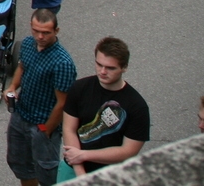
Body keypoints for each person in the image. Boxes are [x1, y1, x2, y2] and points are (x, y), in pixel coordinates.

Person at [4, 9, 75, 186]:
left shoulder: (62, 63)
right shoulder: (28, 44)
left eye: (46, 32)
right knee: (20, 165)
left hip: (42, 123)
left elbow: (62, 103)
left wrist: (46, 130)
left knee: (46, 172)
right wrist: (12, 87)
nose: (40, 36)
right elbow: (22, 67)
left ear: (56, 31)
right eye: (36, 31)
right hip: (20, 116)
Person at [62, 37, 149, 175]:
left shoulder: (137, 107)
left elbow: (128, 151)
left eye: (110, 68)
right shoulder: (79, 88)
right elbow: (69, 129)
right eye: (99, 64)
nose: (102, 71)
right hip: (73, 168)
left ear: (124, 67)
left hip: (112, 175)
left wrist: (84, 155)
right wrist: (80, 173)